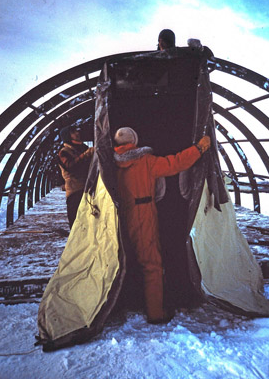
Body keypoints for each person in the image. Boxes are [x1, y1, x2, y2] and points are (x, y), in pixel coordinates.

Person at [113, 127, 210, 324]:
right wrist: (199, 148)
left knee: (123, 260)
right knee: (152, 264)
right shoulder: (145, 161)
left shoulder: (109, 163)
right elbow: (174, 163)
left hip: (120, 215)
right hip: (143, 213)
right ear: (135, 140)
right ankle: (156, 313)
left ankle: (126, 302)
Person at [58, 125, 94, 228]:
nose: (77, 134)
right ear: (67, 136)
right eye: (73, 132)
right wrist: (86, 155)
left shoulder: (82, 148)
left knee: (88, 220)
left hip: (87, 188)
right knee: (76, 221)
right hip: (75, 191)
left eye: (77, 131)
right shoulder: (64, 152)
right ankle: (75, 243)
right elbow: (70, 167)